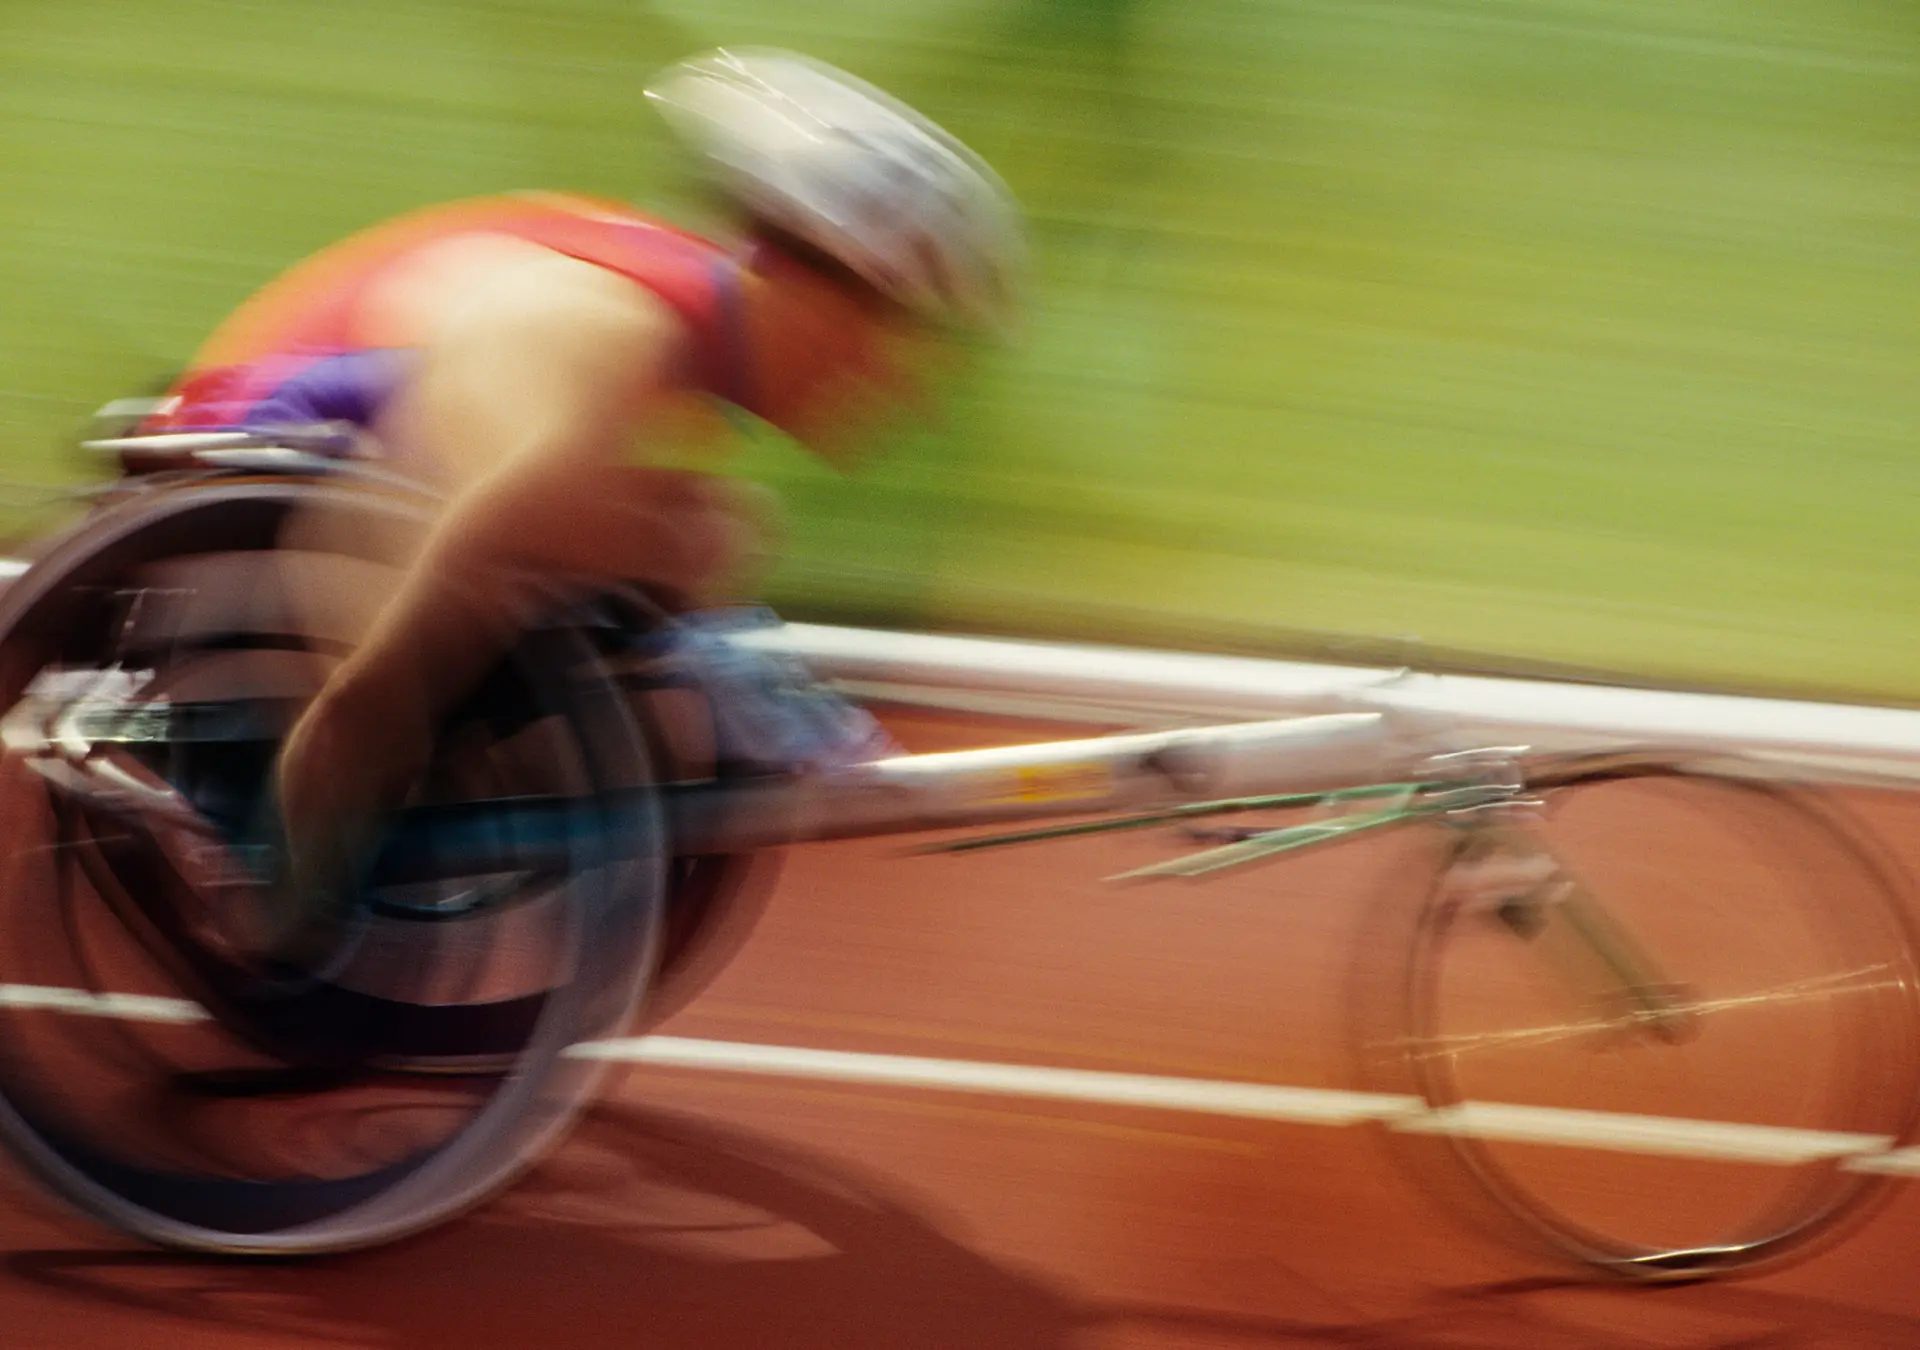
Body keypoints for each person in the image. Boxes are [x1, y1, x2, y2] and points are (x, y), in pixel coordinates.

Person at [137, 48, 1025, 957]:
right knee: (628, 527)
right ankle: (288, 835)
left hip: (337, 489)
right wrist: (328, 808)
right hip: (236, 489)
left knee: (693, 528)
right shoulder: (607, 320)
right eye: (891, 331)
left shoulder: (666, 340)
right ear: (801, 287)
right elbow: (490, 539)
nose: (902, 386)